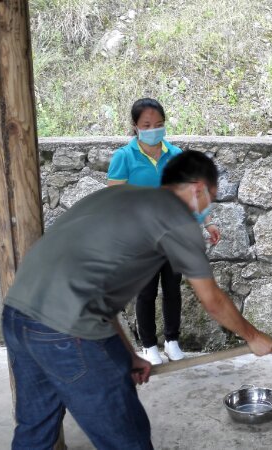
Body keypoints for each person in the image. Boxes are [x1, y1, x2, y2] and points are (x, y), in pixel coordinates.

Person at [2, 151, 272, 449]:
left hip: (17, 315)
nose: (207, 206)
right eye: (211, 196)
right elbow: (212, 300)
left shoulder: (117, 197)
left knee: (36, 427)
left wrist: (128, 355)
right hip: (69, 331)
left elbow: (97, 292)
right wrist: (253, 337)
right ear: (198, 188)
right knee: (127, 440)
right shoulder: (176, 218)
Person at [107, 98, 221, 365]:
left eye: (158, 124)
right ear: (135, 126)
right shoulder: (124, 157)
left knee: (172, 289)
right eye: (147, 125)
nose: (153, 130)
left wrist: (208, 222)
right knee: (146, 292)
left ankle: (172, 341)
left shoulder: (176, 155)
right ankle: (149, 346)